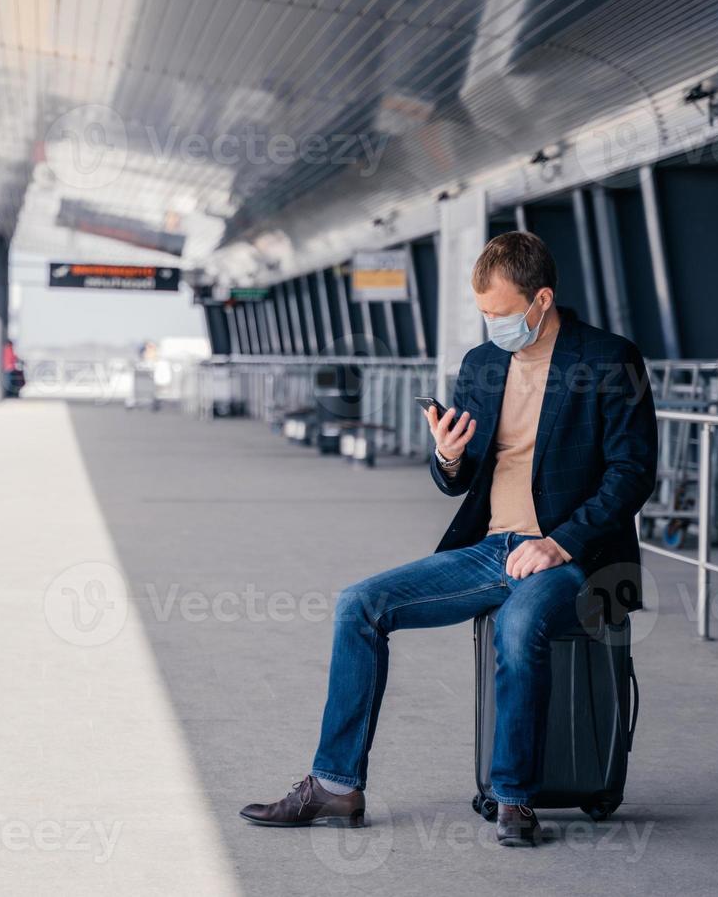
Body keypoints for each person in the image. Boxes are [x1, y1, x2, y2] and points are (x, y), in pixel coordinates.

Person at [239, 231, 657, 846]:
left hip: (575, 556)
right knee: (359, 604)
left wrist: (558, 543)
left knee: (519, 630)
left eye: (503, 312)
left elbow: (633, 473)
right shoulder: (482, 366)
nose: (493, 324)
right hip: (491, 548)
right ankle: (335, 787)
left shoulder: (609, 359)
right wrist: (449, 457)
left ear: (541, 300)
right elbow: (456, 481)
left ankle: (514, 799)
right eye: (484, 312)